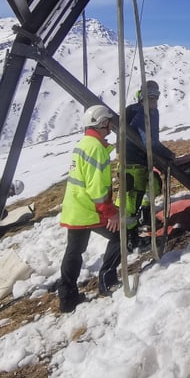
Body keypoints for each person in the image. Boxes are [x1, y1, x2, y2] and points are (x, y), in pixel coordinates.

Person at [59, 104, 122, 312]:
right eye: (109, 122)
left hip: (76, 208)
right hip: (89, 209)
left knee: (74, 252)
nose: (111, 126)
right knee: (120, 235)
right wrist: (110, 211)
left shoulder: (84, 144)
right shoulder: (96, 149)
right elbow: (96, 187)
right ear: (102, 123)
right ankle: (107, 279)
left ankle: (67, 298)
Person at [121, 79, 167, 249]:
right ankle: (130, 238)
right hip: (132, 162)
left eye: (156, 97)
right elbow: (147, 139)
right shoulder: (136, 112)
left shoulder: (154, 113)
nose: (154, 101)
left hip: (143, 159)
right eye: (150, 98)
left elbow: (153, 138)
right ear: (142, 97)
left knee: (154, 184)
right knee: (132, 201)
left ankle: (146, 216)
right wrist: (164, 153)